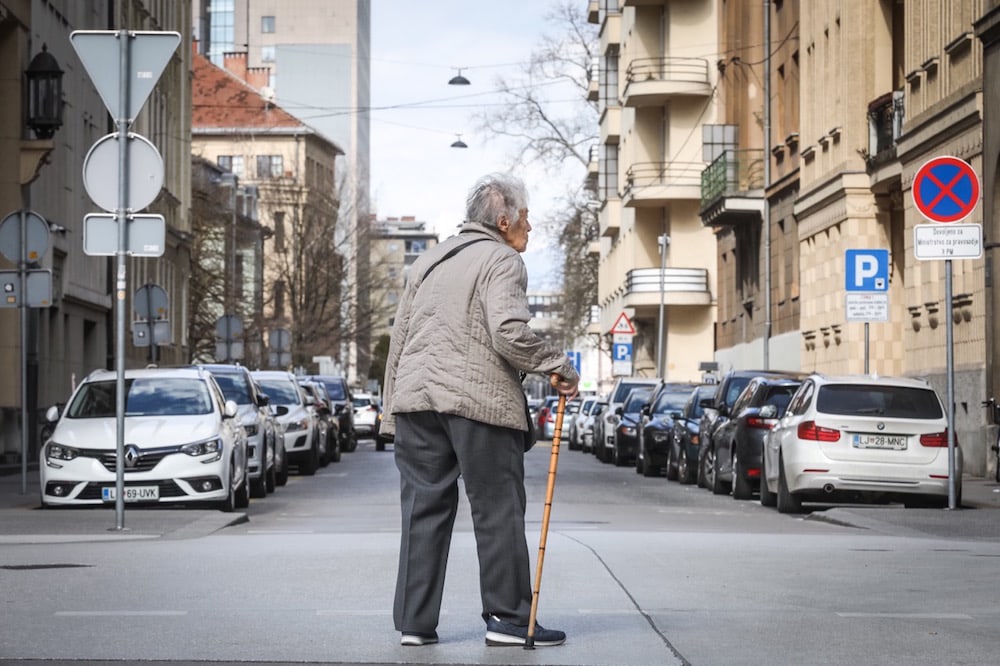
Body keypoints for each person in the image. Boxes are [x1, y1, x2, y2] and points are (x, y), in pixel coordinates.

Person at [381, 172, 580, 648]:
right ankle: (509, 619)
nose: (530, 227)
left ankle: (414, 624)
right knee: (497, 509)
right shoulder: (502, 259)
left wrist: (391, 411)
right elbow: (508, 331)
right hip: (478, 402)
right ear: (504, 221)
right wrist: (558, 365)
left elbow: (399, 341)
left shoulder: (427, 261)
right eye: (526, 217)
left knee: (422, 510)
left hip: (416, 403)